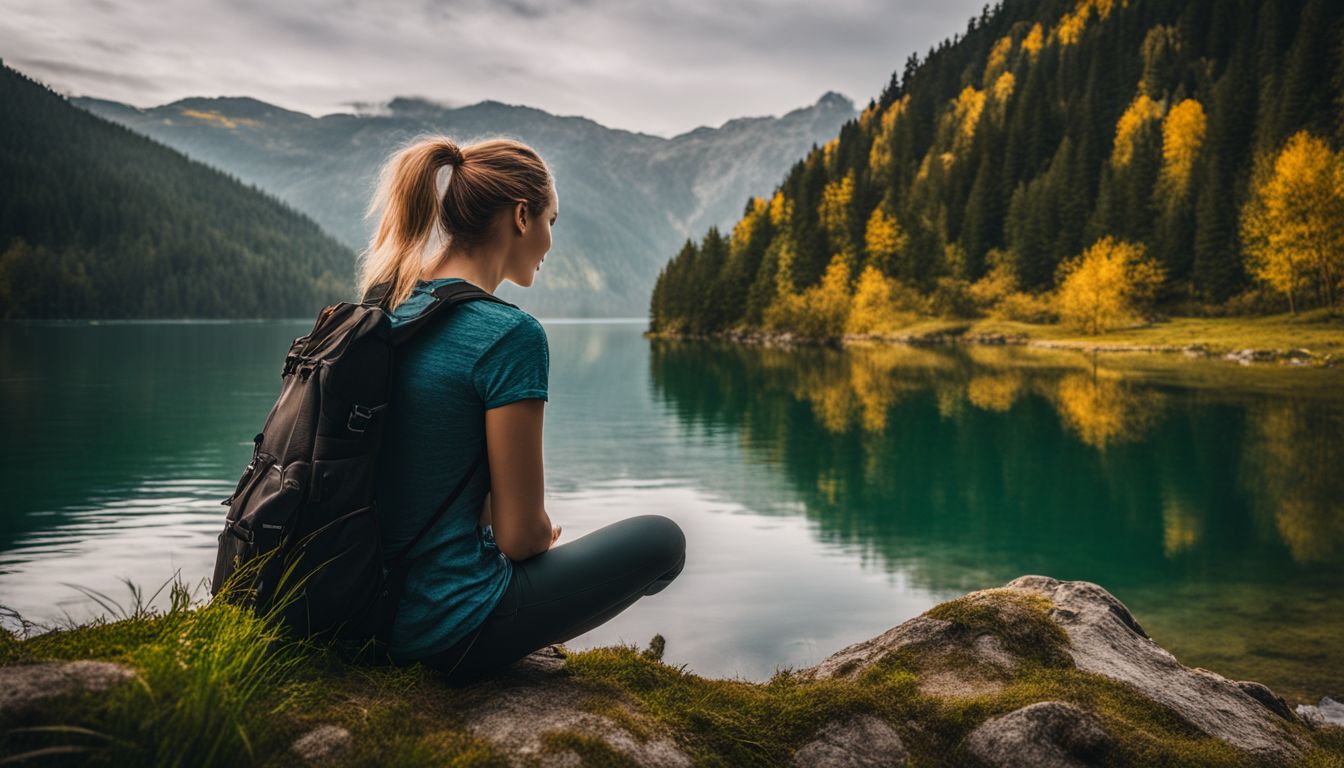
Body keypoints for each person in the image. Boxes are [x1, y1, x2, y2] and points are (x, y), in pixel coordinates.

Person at [356, 135, 686, 685]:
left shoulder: (390, 307)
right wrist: (538, 534)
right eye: (552, 220)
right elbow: (520, 538)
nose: (551, 241)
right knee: (663, 542)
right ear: (522, 215)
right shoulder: (510, 335)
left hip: (360, 605)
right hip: (442, 626)